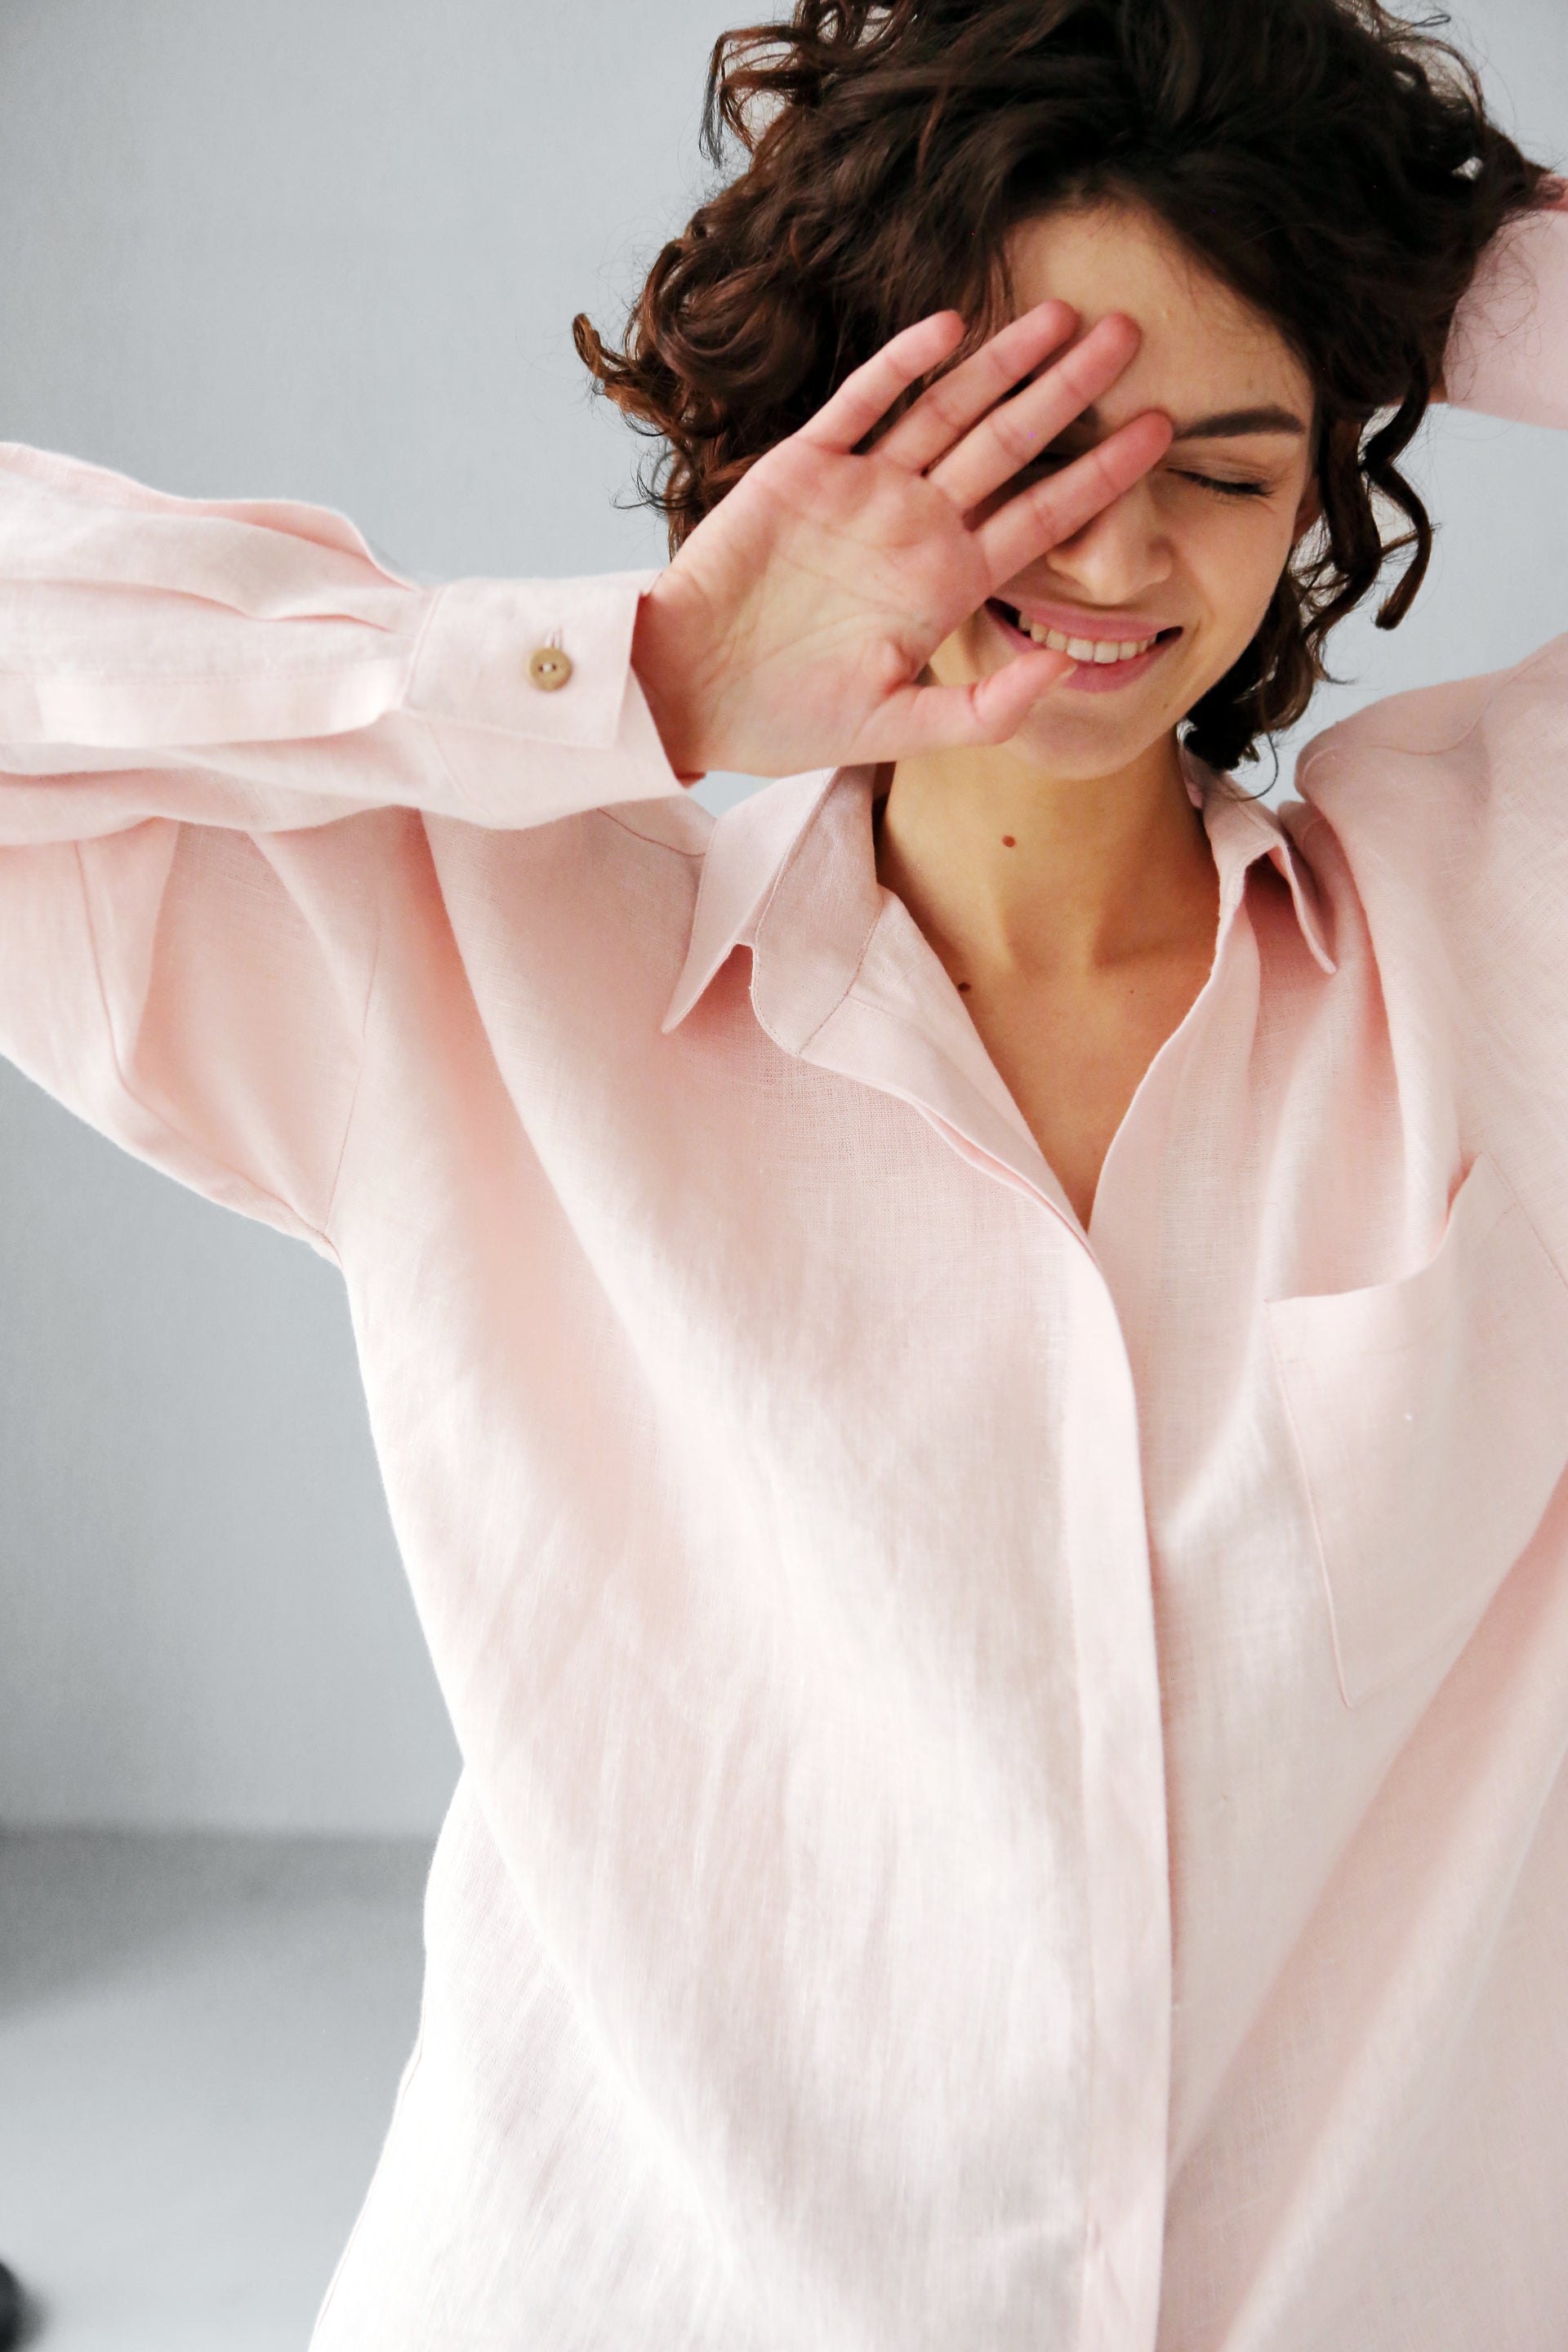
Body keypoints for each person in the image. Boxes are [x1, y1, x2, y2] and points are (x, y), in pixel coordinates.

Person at [2, 0, 1566, 2342]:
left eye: (1230, 469)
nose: (1117, 538)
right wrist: (647, 673)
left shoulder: (1497, 937)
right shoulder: (486, 955)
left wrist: (1417, 257)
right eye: (1019, 443)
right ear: (837, 422)